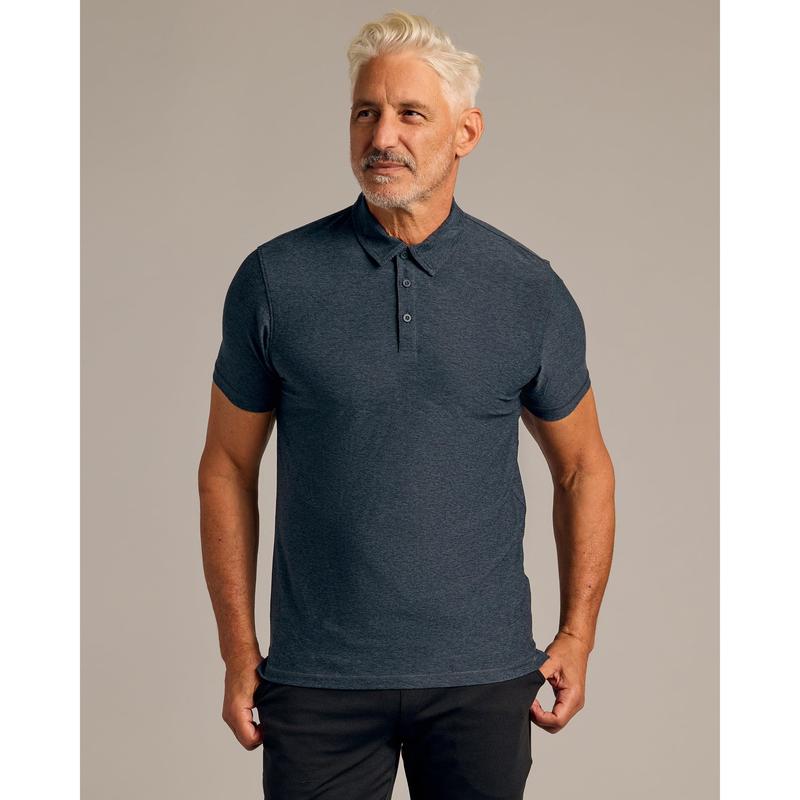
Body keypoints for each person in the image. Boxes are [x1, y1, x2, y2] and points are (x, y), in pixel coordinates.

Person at [198, 10, 615, 799]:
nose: (382, 136)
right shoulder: (276, 280)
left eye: (410, 114)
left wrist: (578, 634)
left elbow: (584, 468)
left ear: (466, 132)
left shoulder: (527, 290)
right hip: (317, 679)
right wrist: (237, 649)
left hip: (481, 679)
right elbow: (225, 465)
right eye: (366, 112)